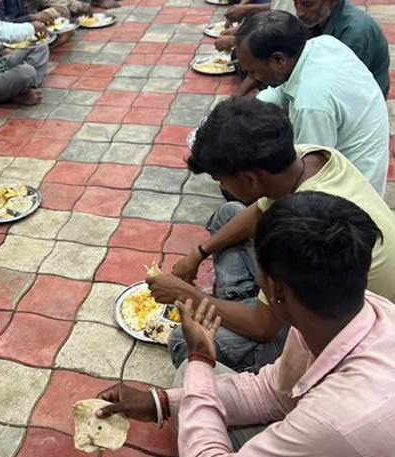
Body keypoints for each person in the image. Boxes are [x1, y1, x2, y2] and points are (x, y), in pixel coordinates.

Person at [97, 192, 395, 457]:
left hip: (337, 442)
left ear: (274, 289)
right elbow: (272, 393)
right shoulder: (346, 312)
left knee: (197, 378)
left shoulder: (335, 421)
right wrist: (159, 403)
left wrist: (200, 357)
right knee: (191, 377)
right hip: (338, 444)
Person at [148, 97, 395, 373]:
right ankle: (238, 304)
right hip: (318, 283)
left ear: (250, 179)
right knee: (229, 213)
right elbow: (258, 210)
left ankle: (240, 309)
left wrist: (188, 295)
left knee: (184, 341)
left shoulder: (302, 227)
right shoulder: (311, 157)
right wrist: (199, 253)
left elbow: (263, 328)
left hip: (338, 329)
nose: (223, 187)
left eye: (222, 180)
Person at [235, 11, 389, 195]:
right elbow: (280, 88)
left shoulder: (311, 104)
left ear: (278, 60)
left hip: (351, 196)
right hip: (356, 168)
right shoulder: (323, 45)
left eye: (253, 72)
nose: (252, 78)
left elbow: (307, 178)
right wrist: (247, 113)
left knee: (244, 184)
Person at [296, 0, 390, 98]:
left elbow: (342, 84)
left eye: (307, 5)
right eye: (295, 3)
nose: (299, 13)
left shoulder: (356, 31)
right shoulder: (320, 18)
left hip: (356, 97)